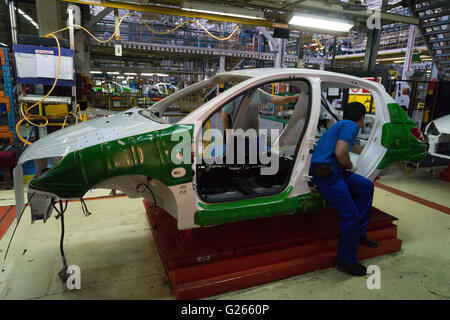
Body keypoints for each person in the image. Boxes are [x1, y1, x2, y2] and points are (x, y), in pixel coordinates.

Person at [310, 102, 377, 277]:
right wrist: (350, 165)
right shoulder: (351, 125)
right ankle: (346, 261)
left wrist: (370, 150)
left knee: (366, 186)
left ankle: (360, 234)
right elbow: (341, 153)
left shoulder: (340, 124)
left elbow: (349, 146)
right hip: (326, 174)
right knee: (351, 215)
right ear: (361, 118)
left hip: (334, 171)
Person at [221, 88, 300, 131]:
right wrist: (229, 135)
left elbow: (274, 98)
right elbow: (224, 116)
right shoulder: (234, 94)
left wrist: (292, 98)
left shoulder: (256, 92)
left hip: (254, 134)